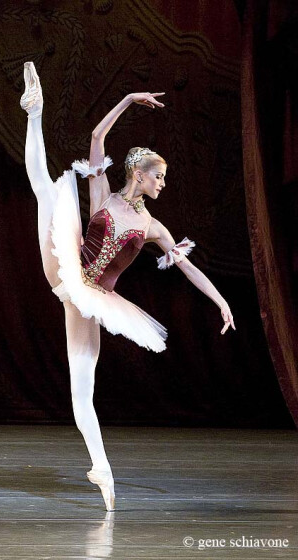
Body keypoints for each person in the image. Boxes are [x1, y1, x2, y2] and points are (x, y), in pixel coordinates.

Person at [20, 62, 235, 511]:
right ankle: (34, 110)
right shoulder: (104, 195)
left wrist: (220, 299)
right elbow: (98, 139)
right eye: (158, 176)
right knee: (45, 189)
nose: (162, 183)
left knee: (83, 390)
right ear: (139, 173)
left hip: (97, 297)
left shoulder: (153, 225)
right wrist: (128, 100)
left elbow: (186, 267)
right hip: (69, 268)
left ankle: (101, 467)